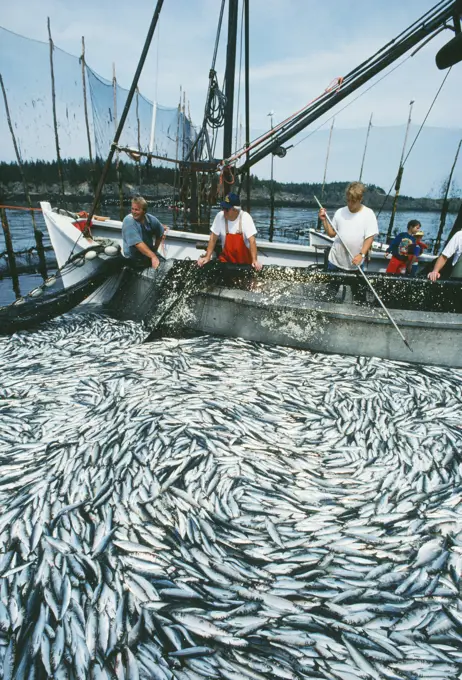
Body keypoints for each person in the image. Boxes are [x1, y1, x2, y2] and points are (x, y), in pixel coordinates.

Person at [318, 181, 378, 272]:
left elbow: (369, 237)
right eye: (348, 200)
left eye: (353, 201)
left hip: (355, 264)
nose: (350, 204)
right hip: (335, 261)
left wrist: (361, 255)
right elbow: (331, 233)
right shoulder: (340, 212)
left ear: (360, 199)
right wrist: (324, 220)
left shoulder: (368, 214)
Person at [197, 193, 262, 270]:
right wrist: (207, 257)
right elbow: (213, 238)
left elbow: (252, 241)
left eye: (226, 209)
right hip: (226, 263)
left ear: (235, 210)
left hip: (244, 264)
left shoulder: (245, 217)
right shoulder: (219, 216)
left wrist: (254, 260)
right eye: (223, 208)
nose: (224, 211)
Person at [122, 196, 167, 268]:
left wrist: (154, 250)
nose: (134, 212)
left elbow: (160, 233)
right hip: (133, 257)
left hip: (148, 254)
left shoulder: (151, 219)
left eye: (137, 210)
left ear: (144, 211)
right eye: (132, 209)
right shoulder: (128, 221)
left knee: (165, 265)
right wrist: (153, 256)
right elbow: (137, 243)